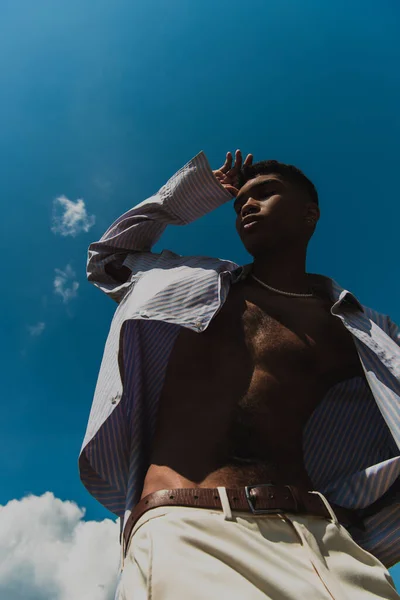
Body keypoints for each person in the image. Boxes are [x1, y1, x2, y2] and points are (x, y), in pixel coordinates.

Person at [79, 149, 400, 599]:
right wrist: (193, 193)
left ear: (310, 215)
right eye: (239, 202)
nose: (246, 205)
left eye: (265, 193)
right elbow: (109, 258)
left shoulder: (353, 327)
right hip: (191, 529)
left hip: (325, 540)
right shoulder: (183, 279)